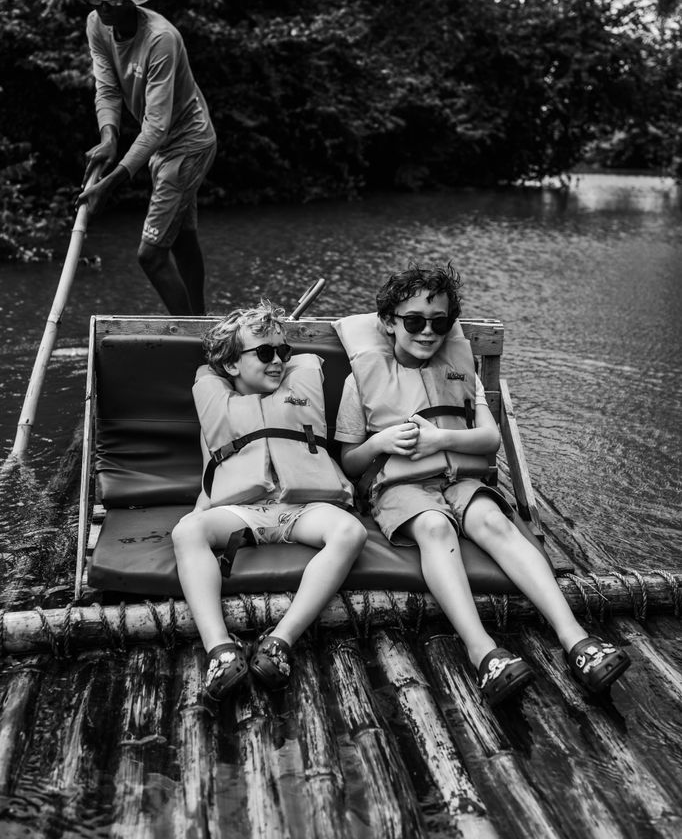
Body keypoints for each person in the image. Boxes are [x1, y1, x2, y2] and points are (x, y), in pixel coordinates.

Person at [334, 263, 631, 707]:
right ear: (388, 323)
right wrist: (379, 441)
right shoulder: (359, 380)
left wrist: (441, 439)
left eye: (440, 323)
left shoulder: (461, 370)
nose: (428, 332)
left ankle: (578, 641)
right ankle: (483, 652)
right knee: (435, 528)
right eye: (414, 321)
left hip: (463, 480)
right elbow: (350, 463)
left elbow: (490, 438)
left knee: (493, 520)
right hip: (402, 489)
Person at [172, 300, 367, 701]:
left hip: (303, 509)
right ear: (231, 366)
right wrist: (199, 512)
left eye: (283, 351)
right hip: (245, 512)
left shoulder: (301, 388)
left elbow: (374, 329)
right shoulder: (215, 402)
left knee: (350, 531)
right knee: (187, 531)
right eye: (264, 353)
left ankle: (281, 639)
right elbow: (213, 467)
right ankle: (220, 649)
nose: (277, 360)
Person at [76, 0, 216, 315]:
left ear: (130, 0)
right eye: (97, 1)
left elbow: (157, 124)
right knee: (182, 239)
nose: (104, 9)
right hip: (158, 147)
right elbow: (106, 88)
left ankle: (195, 337)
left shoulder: (160, 39)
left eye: (112, 1)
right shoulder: (97, 25)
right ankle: (203, 328)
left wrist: (111, 182)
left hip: (186, 144)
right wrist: (109, 138)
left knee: (151, 254)